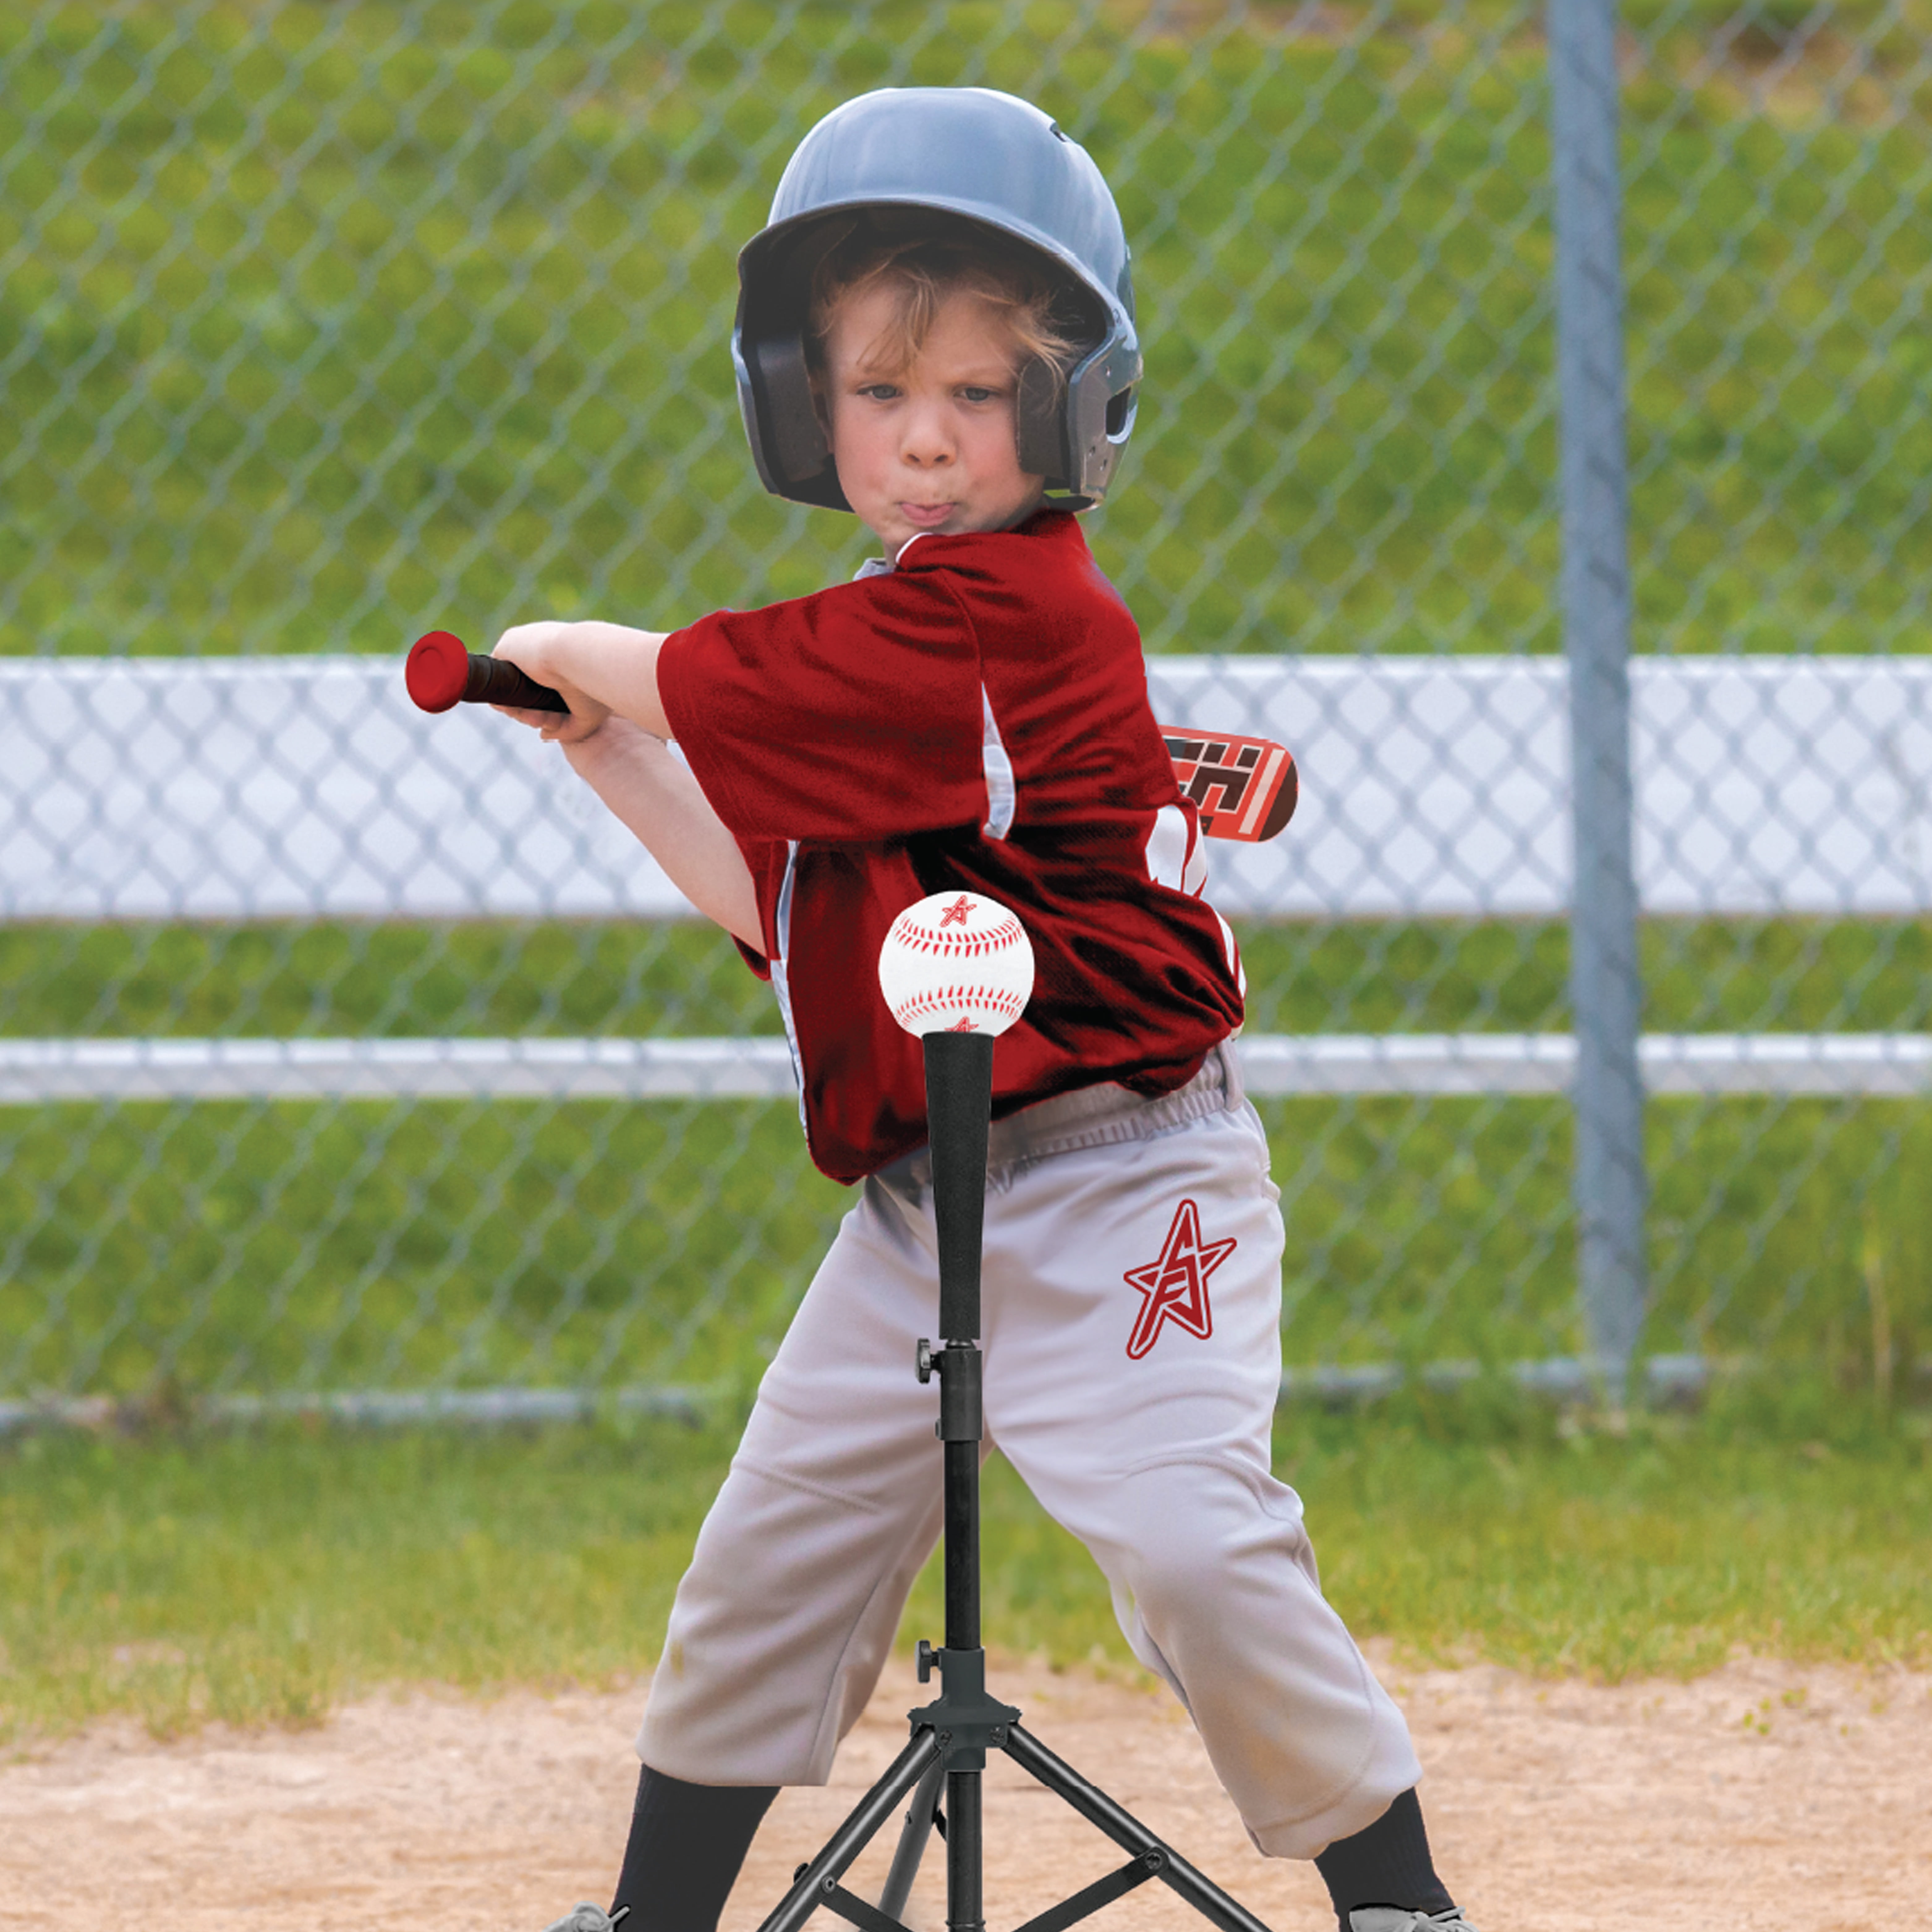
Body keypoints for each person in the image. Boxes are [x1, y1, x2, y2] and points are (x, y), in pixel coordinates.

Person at [492, 86, 1474, 1932]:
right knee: (771, 1561)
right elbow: (786, 910)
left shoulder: (1013, 621)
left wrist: (578, 654)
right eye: (881, 394)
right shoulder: (881, 646)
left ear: (1066, 409)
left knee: (1193, 1544)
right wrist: (611, 756)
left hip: (1128, 1179)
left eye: (974, 397)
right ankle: (654, 1917)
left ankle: (1397, 1898)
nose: (927, 445)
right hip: (920, 1202)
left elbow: (760, 681)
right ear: (805, 405)